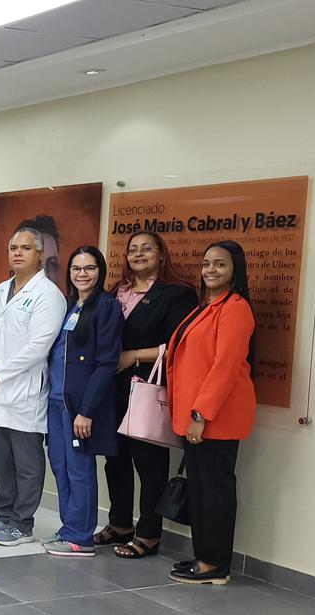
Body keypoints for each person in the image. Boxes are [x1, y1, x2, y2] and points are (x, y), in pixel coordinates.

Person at [99, 231, 198, 559]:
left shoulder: (177, 294)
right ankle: (120, 523)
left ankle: (148, 533)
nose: (138, 254)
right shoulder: (117, 292)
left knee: (149, 464)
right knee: (115, 459)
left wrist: (133, 356)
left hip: (146, 387)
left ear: (161, 255)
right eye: (133, 250)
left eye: (146, 249)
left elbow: (179, 345)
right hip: (112, 388)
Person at [166, 240, 256, 585]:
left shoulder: (236, 309)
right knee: (201, 490)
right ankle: (205, 556)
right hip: (196, 417)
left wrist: (200, 415)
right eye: (206, 264)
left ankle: (215, 563)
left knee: (215, 491)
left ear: (235, 269)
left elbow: (225, 368)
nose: (210, 270)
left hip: (215, 419)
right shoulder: (207, 306)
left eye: (220, 264)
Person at [0, 227, 66, 546]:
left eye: (25, 248)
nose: (17, 253)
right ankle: (3, 515)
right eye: (13, 247)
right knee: (1, 459)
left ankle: (22, 523)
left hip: (24, 391)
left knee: (26, 463)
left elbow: (38, 347)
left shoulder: (49, 295)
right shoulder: (0, 290)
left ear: (39, 255)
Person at [43, 246, 123, 557]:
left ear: (100, 271)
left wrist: (86, 411)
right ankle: (69, 527)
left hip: (80, 408)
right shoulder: (69, 305)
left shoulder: (106, 307)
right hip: (56, 402)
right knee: (60, 465)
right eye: (76, 268)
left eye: (90, 268)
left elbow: (106, 363)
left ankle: (81, 536)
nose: (82, 274)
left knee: (79, 468)